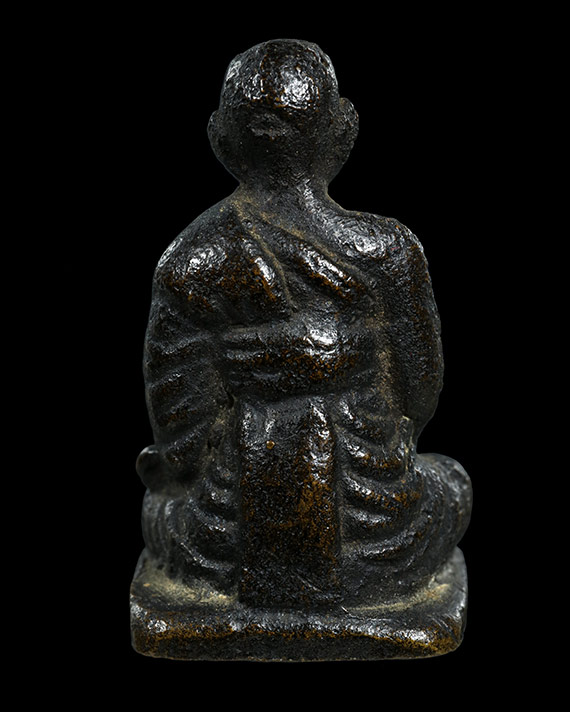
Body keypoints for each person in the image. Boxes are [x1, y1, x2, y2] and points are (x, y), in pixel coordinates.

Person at [136, 39, 472, 609]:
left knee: (160, 509)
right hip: (372, 522)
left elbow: (178, 430)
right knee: (452, 482)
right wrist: (346, 377)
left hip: (225, 534)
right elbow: (420, 397)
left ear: (219, 138)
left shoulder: (191, 258)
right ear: (343, 131)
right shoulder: (386, 251)